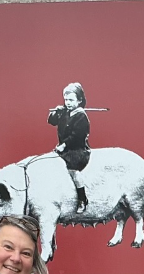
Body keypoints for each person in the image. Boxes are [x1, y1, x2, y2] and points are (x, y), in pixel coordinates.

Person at [48, 82, 91, 213]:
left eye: (71, 100)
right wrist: (56, 112)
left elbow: (76, 136)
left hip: (77, 150)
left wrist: (63, 145)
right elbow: (51, 122)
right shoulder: (65, 112)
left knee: (73, 171)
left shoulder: (81, 116)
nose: (68, 103)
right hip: (64, 149)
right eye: (66, 100)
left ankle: (82, 199)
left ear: (79, 100)